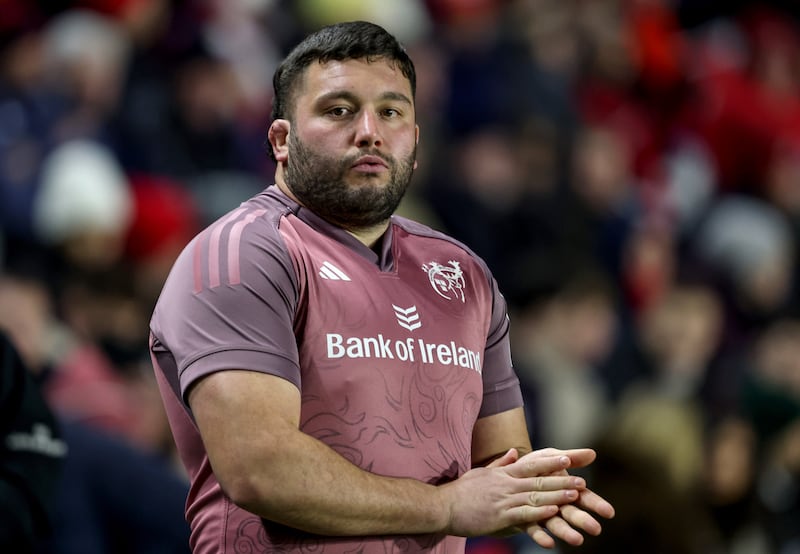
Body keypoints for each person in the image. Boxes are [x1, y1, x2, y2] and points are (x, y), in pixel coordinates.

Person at [149, 20, 615, 554]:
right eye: (338, 110)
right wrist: (445, 507)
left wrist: (529, 489)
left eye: (391, 112)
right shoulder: (241, 254)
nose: (369, 130)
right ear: (281, 139)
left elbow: (494, 470)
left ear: (414, 142)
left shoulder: (464, 273)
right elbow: (261, 469)